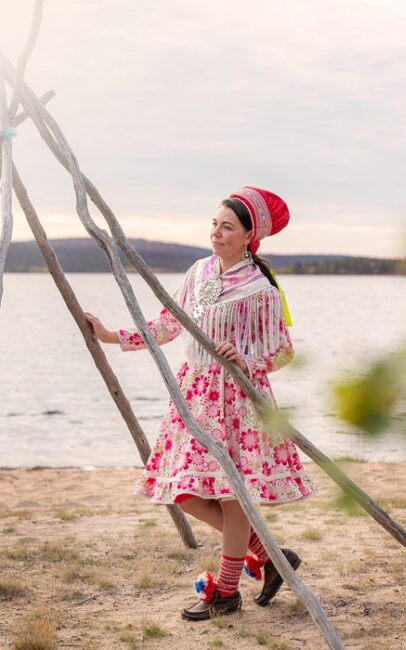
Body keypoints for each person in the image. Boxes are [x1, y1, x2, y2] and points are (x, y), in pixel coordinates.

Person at [85, 185, 317, 621]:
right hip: (194, 395)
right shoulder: (198, 273)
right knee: (185, 492)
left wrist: (247, 360)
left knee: (233, 498)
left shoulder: (261, 289)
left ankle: (226, 593)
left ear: (248, 236)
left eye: (226, 227)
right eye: (214, 224)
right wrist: (114, 336)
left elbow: (284, 350)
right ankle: (269, 556)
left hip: (238, 402)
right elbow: (169, 325)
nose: (216, 233)